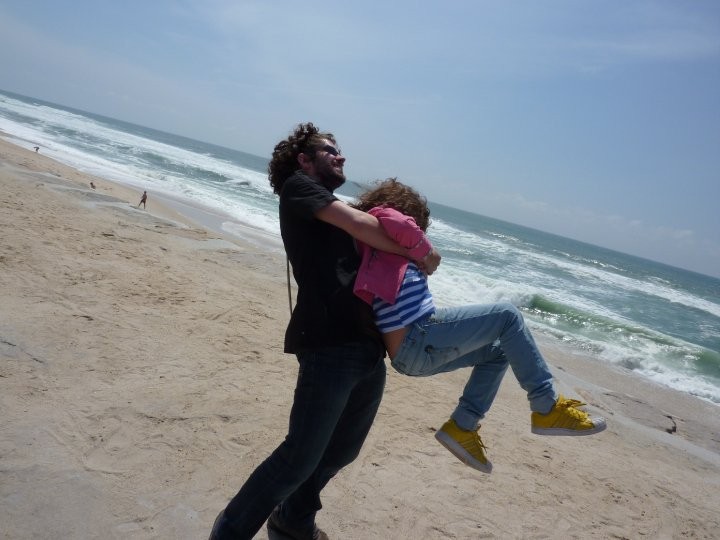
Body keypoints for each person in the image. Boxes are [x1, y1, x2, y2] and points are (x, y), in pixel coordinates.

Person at [208, 124, 440, 540]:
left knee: (341, 451)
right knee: (298, 456)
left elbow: (370, 238)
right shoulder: (298, 188)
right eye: (330, 150)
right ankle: (229, 531)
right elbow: (363, 226)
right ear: (304, 159)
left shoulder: (326, 205)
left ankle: (293, 520)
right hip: (330, 343)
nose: (340, 156)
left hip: (366, 347)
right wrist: (422, 253)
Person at [352, 178, 606, 474]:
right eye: (417, 224)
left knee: (499, 350)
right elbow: (393, 219)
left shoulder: (382, 245)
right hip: (417, 335)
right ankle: (546, 406)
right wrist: (427, 251)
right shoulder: (380, 218)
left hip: (411, 353)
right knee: (507, 315)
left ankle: (463, 425)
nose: (419, 230)